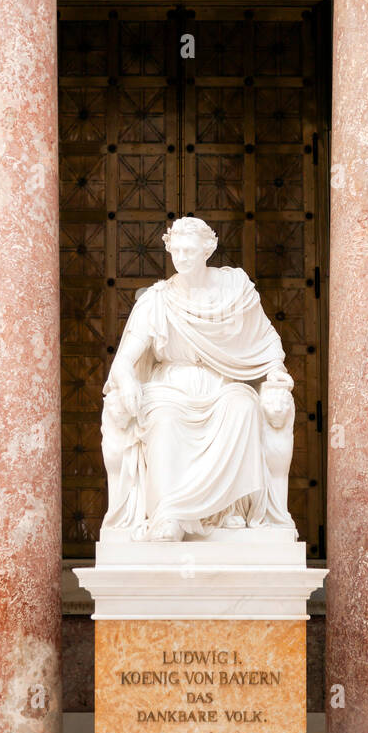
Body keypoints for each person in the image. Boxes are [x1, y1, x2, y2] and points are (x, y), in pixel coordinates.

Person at [100, 217, 297, 542]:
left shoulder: (235, 290)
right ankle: (170, 515)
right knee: (163, 418)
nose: (182, 257)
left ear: (208, 249)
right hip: (172, 386)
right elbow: (124, 361)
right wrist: (128, 380)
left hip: (221, 383)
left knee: (244, 406)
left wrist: (276, 370)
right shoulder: (158, 299)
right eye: (176, 250)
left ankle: (228, 510)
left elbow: (266, 338)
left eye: (189, 250)